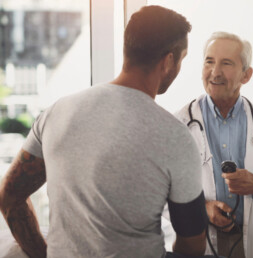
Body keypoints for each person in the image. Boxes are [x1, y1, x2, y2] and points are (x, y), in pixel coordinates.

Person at [0, 6, 209, 258]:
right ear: (168, 61)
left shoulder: (56, 112)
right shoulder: (175, 136)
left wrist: (43, 254)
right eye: (181, 59)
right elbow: (193, 245)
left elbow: (9, 197)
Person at [174, 31, 253, 258]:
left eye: (227, 63)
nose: (215, 72)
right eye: (209, 61)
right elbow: (160, 192)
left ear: (246, 75)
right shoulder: (178, 125)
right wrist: (201, 209)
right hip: (200, 242)